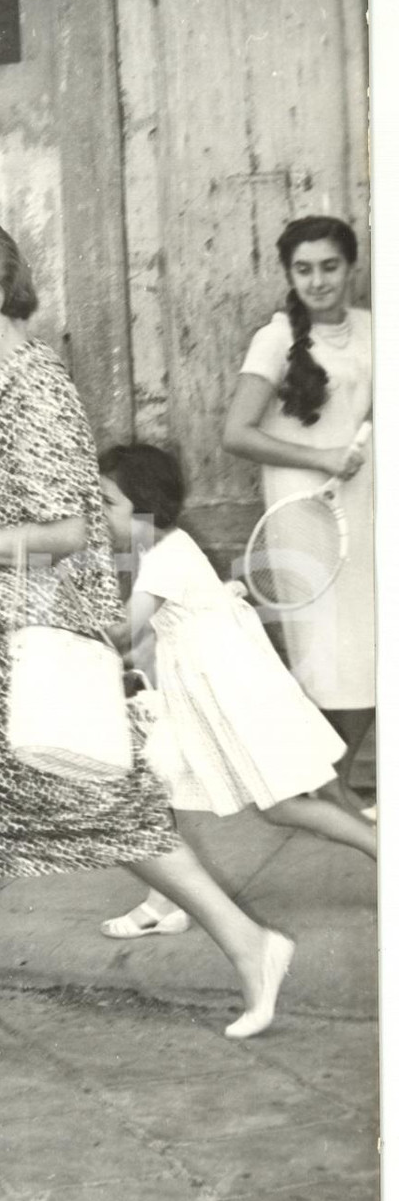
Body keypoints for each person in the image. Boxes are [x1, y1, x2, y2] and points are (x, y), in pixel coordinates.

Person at [0, 216, 294, 1065]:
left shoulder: (39, 391)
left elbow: (64, 528)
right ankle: (247, 945)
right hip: (18, 640)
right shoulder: (9, 385)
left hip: (37, 642)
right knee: (76, 810)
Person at [96, 443, 375, 940]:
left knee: (282, 807)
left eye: (106, 502)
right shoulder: (164, 548)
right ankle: (167, 902)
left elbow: (125, 631)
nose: (97, 513)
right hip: (207, 692)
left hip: (232, 697)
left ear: (144, 504)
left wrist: (58, 623)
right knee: (165, 783)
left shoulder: (163, 557)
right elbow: (153, 635)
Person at [223, 216, 373, 819]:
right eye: (304, 269)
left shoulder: (373, 326)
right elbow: (235, 433)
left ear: (351, 268)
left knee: (371, 649)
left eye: (330, 266)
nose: (318, 281)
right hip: (304, 513)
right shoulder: (276, 337)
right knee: (324, 655)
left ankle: (329, 781)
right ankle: (317, 784)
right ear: (289, 274)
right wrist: (321, 457)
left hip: (368, 504)